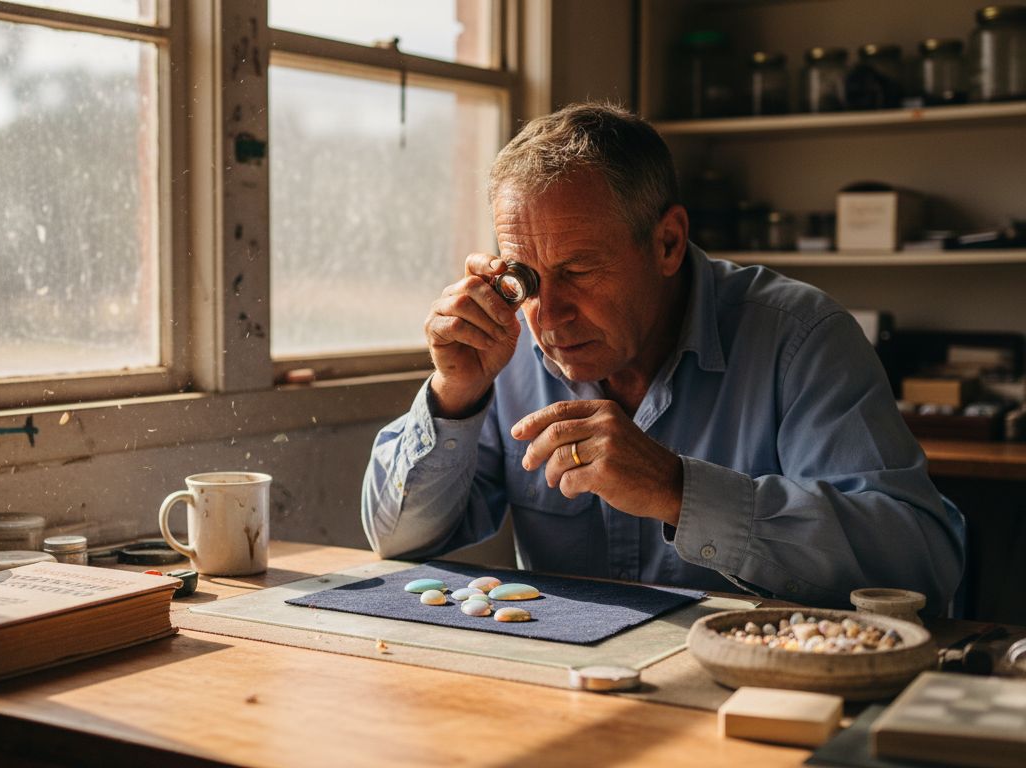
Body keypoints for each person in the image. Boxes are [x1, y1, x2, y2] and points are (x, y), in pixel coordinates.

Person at [361, 103, 964, 611]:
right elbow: (396, 542)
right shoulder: (506, 349)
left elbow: (922, 566)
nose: (549, 315)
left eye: (578, 271)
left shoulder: (800, 338)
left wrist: (681, 491)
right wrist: (454, 395)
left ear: (668, 242)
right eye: (527, 277)